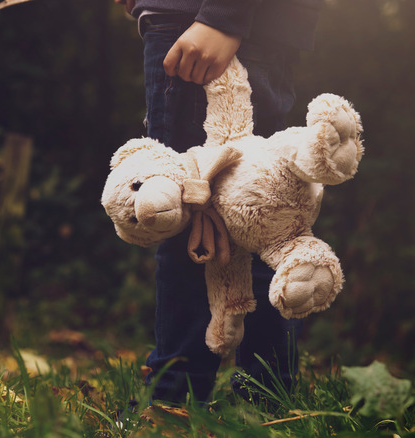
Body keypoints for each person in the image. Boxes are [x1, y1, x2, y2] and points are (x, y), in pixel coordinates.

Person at [114, 0, 325, 403]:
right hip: (229, 23)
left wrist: (224, 17)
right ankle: (268, 398)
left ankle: (173, 403)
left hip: (208, 22)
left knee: (193, 215)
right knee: (260, 213)